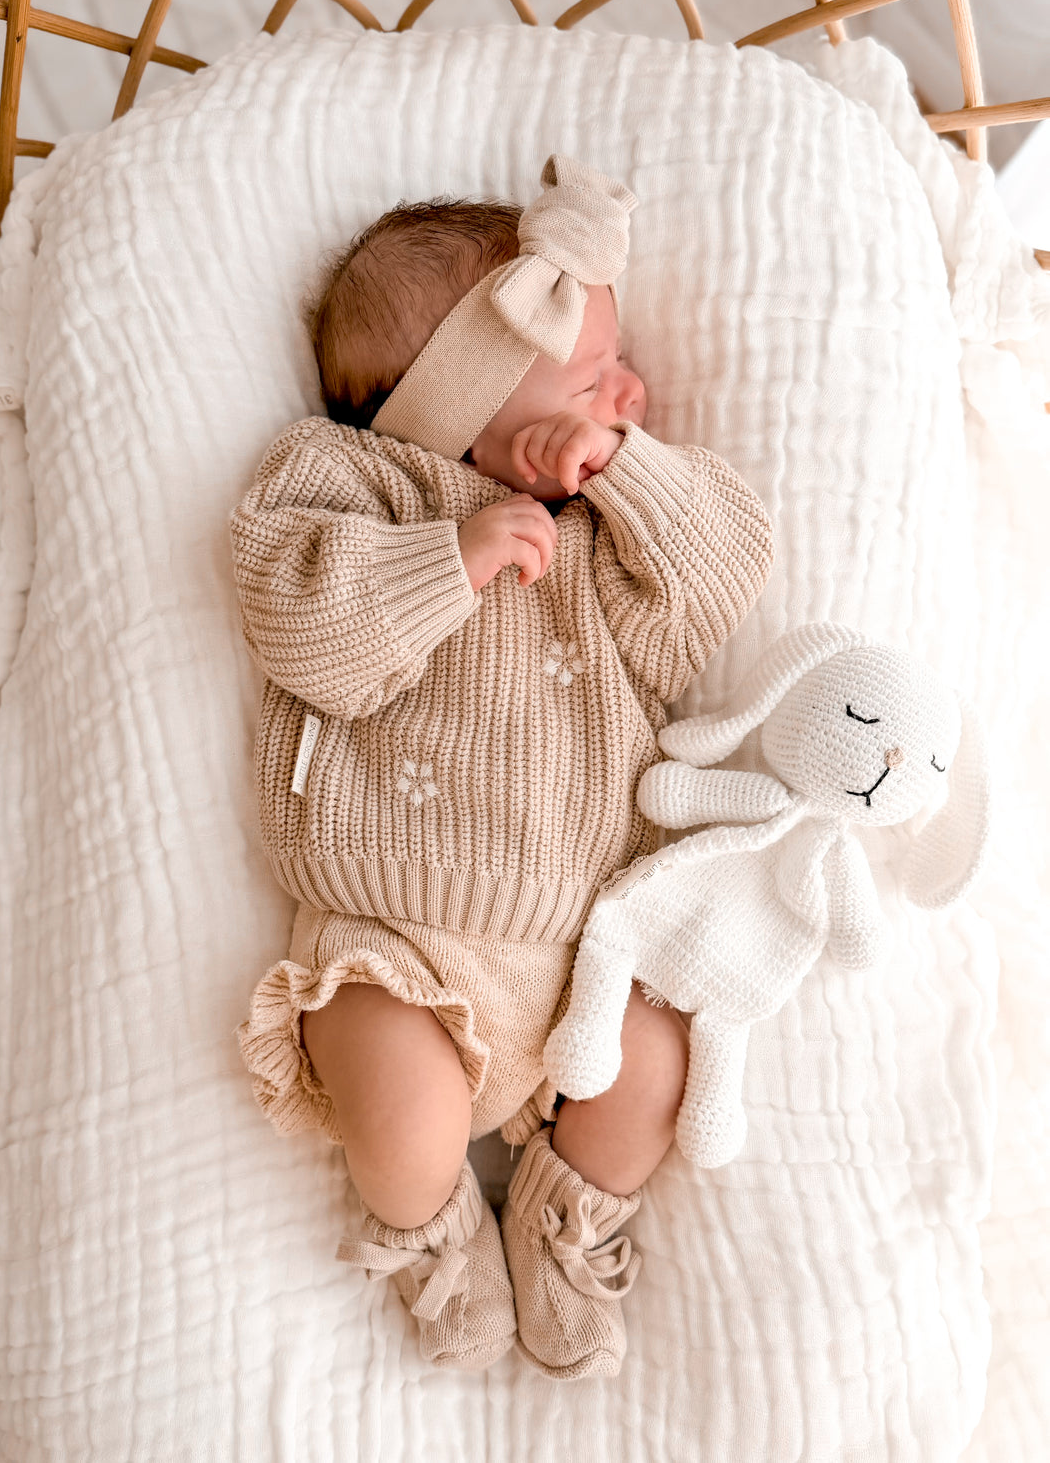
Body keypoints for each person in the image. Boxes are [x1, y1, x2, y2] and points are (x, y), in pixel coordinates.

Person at [231, 156, 773, 1379]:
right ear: (469, 400)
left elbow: (725, 570)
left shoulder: (606, 544)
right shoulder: (344, 488)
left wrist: (618, 460)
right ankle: (427, 1232)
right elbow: (299, 625)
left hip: (589, 953)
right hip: (402, 940)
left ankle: (564, 1218)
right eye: (595, 380)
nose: (629, 390)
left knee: (658, 1056)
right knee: (398, 1103)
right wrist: (448, 564)